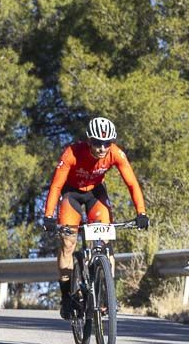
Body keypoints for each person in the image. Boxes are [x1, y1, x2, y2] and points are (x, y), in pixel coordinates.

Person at [43, 117, 148, 318]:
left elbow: (132, 184)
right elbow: (56, 186)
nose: (102, 148)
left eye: (107, 143)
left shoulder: (115, 153)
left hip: (95, 194)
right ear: (89, 140)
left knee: (105, 243)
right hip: (71, 194)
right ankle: (66, 297)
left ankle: (108, 295)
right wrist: (49, 216)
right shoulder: (72, 153)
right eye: (98, 143)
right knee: (68, 242)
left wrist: (141, 213)